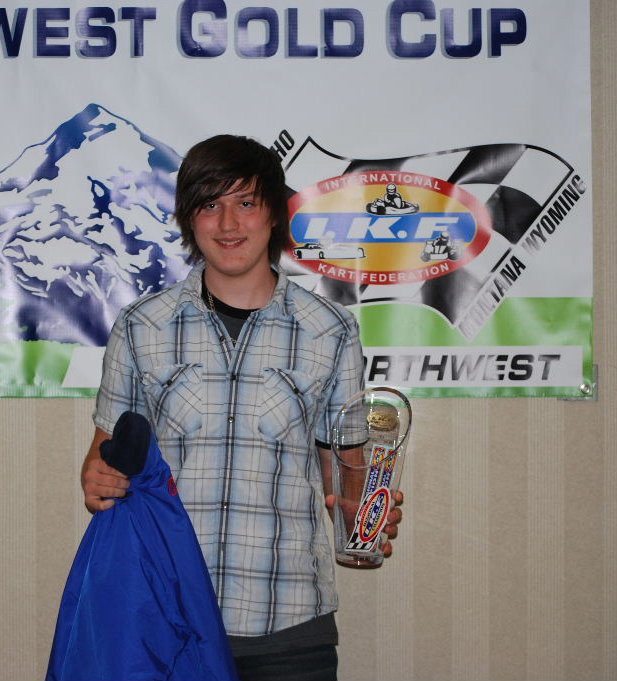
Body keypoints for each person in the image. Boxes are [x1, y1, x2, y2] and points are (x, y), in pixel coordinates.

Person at [81, 134, 402, 681]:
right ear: (190, 218)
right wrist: (97, 477)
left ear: (274, 213)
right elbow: (105, 458)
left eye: (246, 202)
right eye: (210, 204)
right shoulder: (141, 326)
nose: (228, 224)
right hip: (167, 623)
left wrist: (362, 518)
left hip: (290, 627)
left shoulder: (331, 330)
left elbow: (344, 474)